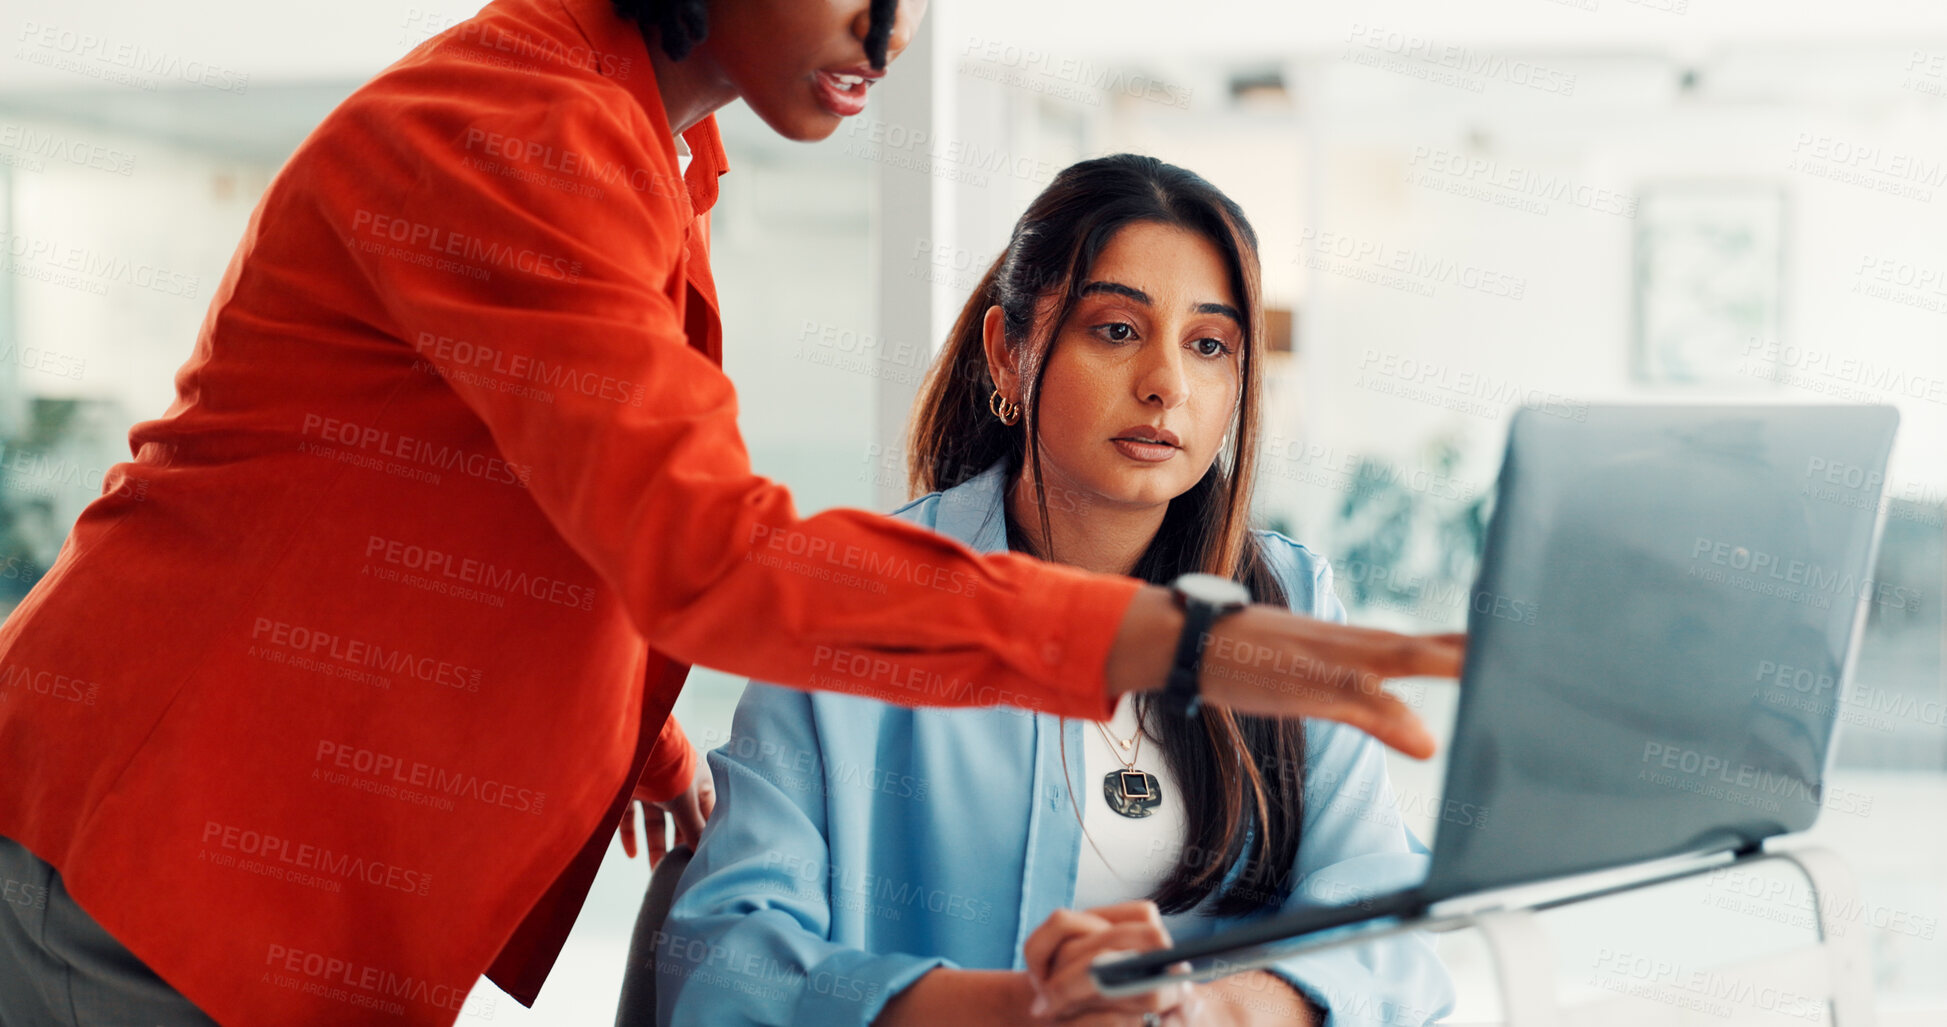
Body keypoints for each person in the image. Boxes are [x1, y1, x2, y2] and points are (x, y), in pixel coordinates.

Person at [0, 3, 1461, 1026]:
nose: (887, 35)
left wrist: (624, 719)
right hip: (146, 862)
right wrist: (1165, 642)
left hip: (254, 883)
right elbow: (709, 555)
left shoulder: (654, 155)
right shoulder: (519, 130)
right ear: (1016, 353)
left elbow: (548, 480)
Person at [652, 155, 1454, 1027]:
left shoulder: (1287, 598)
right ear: (1008, 352)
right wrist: (1017, 1012)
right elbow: (721, 961)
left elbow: (1390, 929)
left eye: (1209, 344)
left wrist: (1208, 1013)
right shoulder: (856, 599)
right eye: (1115, 331)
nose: (1166, 384)